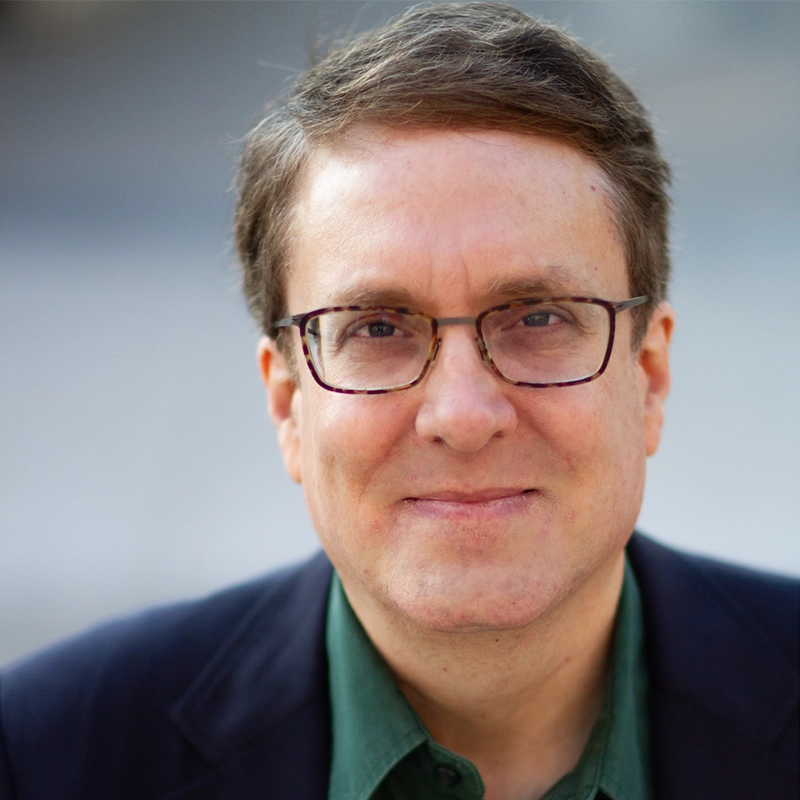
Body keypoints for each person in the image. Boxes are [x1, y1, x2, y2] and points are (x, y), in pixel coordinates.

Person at [1, 4, 797, 799]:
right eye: (378, 328)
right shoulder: (44, 759)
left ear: (648, 375)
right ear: (287, 404)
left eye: (539, 318)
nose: (462, 415)